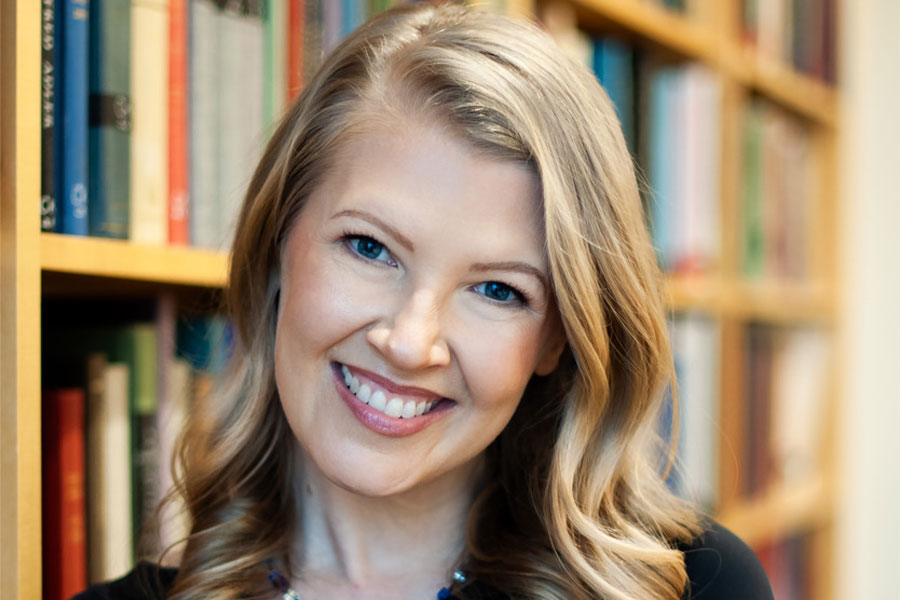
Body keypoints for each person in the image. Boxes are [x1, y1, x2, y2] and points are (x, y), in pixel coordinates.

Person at [75, 3, 773, 599]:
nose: (411, 342)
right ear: (278, 241)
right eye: (370, 248)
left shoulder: (695, 587)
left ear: (559, 338)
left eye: (497, 290)